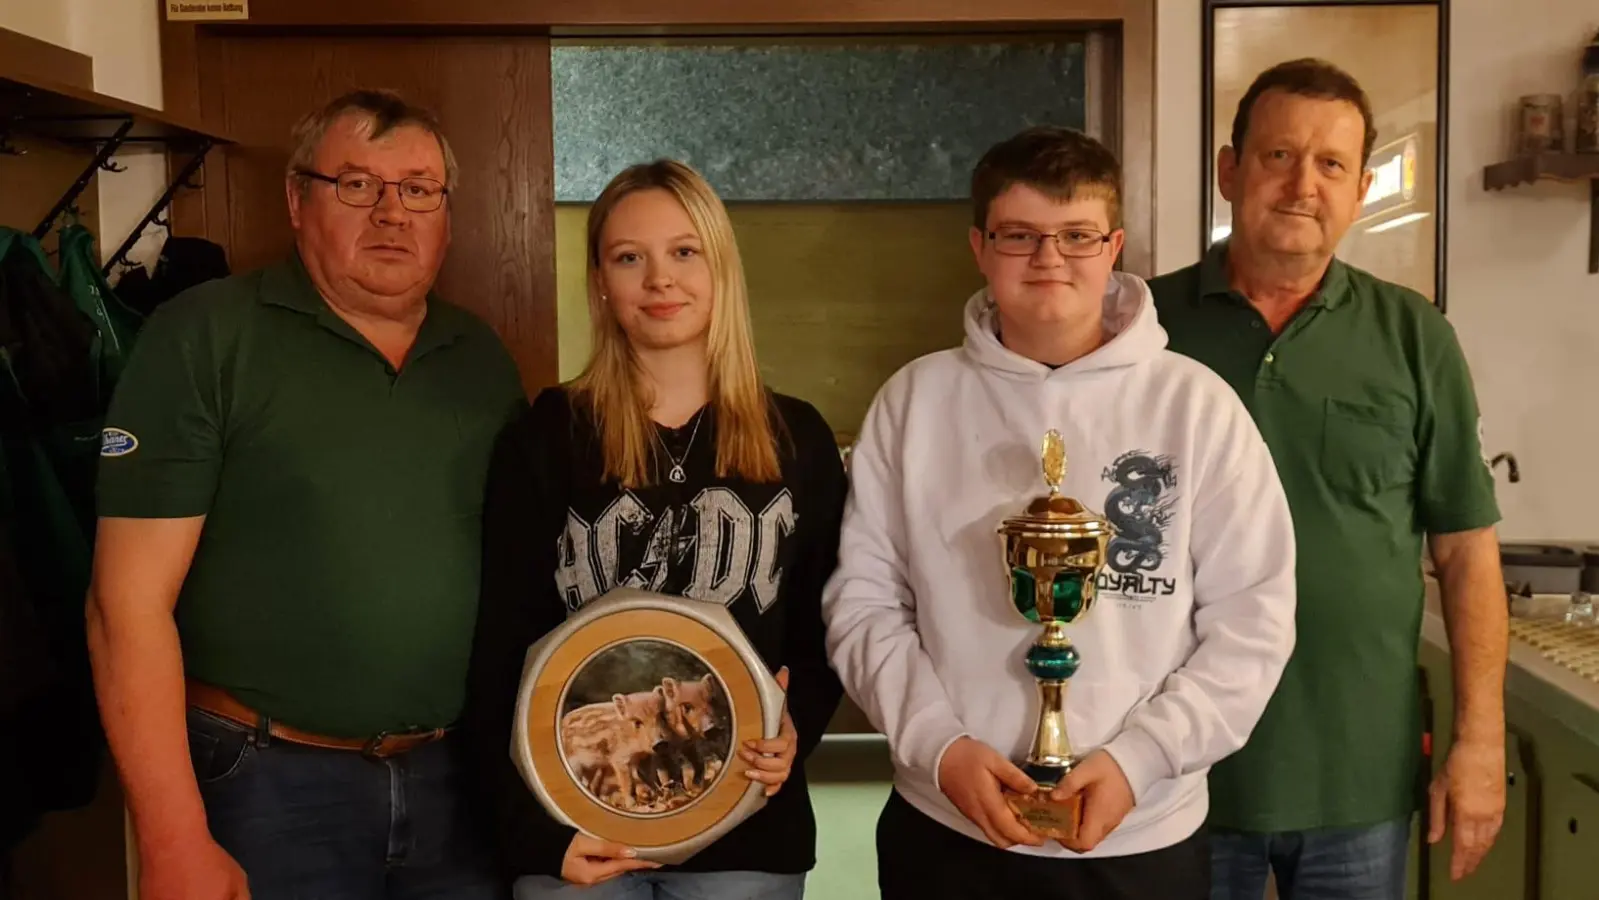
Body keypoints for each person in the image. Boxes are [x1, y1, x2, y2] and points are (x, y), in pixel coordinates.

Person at [821, 125, 1299, 900]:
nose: (1049, 259)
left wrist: (1140, 758)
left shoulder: (1195, 406)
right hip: (946, 822)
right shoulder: (914, 402)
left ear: (1113, 247)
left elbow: (1254, 619)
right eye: (1019, 236)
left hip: (1141, 830)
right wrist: (940, 748)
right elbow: (864, 604)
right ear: (979, 246)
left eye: (1076, 235)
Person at [86, 90, 525, 900]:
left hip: (457, 784)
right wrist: (173, 837)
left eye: (419, 189)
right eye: (357, 185)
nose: (392, 213)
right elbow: (124, 605)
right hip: (266, 784)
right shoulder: (206, 337)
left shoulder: (480, 359)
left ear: (446, 213)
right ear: (297, 199)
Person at [1148, 58, 1509, 899]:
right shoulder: (1142, 326)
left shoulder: (1413, 335)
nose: (1302, 184)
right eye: (1277, 157)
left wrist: (1479, 741)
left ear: (1360, 189)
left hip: (1356, 774)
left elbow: (1464, 551)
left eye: (1330, 164)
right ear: (1229, 171)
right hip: (1172, 763)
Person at [461, 158, 846, 900]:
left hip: (746, 824)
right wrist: (531, 834)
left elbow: (827, 624)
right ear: (601, 280)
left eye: (683, 252)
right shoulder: (546, 436)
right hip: (574, 829)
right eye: (628, 257)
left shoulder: (794, 436)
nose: (658, 279)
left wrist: (796, 726)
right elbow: (498, 651)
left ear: (720, 267)